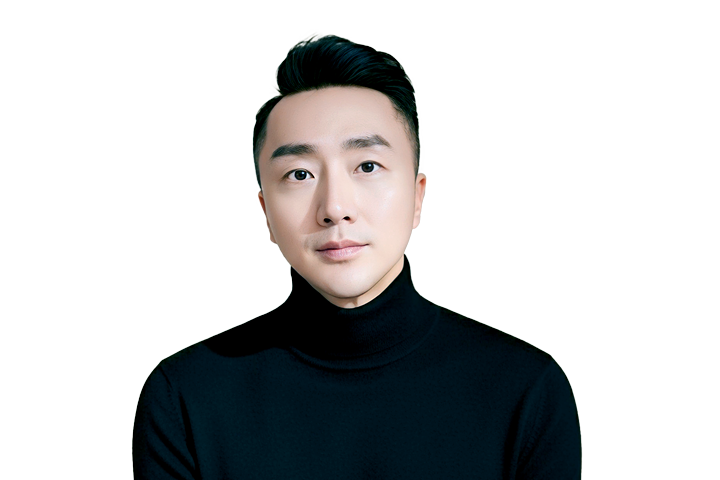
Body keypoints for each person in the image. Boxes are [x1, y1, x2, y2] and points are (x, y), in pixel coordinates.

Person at [132, 33, 582, 479]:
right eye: (299, 174)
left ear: (417, 198)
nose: (334, 208)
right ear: (266, 213)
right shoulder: (184, 398)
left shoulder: (526, 391)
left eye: (367, 166)